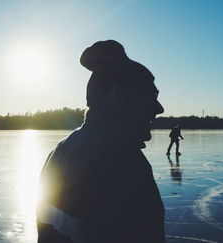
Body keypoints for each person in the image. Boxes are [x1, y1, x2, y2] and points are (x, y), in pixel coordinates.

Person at [37, 40, 166, 243]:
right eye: (151, 94)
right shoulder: (122, 162)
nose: (159, 108)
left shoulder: (60, 152)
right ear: (118, 96)